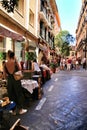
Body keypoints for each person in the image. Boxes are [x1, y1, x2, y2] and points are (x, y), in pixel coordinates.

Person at [3, 50, 27, 115]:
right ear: (13, 55)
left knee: (11, 94)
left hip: (10, 81)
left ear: (8, 56)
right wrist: (16, 60)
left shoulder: (5, 64)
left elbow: (4, 75)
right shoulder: (15, 62)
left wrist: (8, 78)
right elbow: (20, 69)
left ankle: (13, 111)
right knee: (19, 94)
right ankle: (20, 110)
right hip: (16, 80)